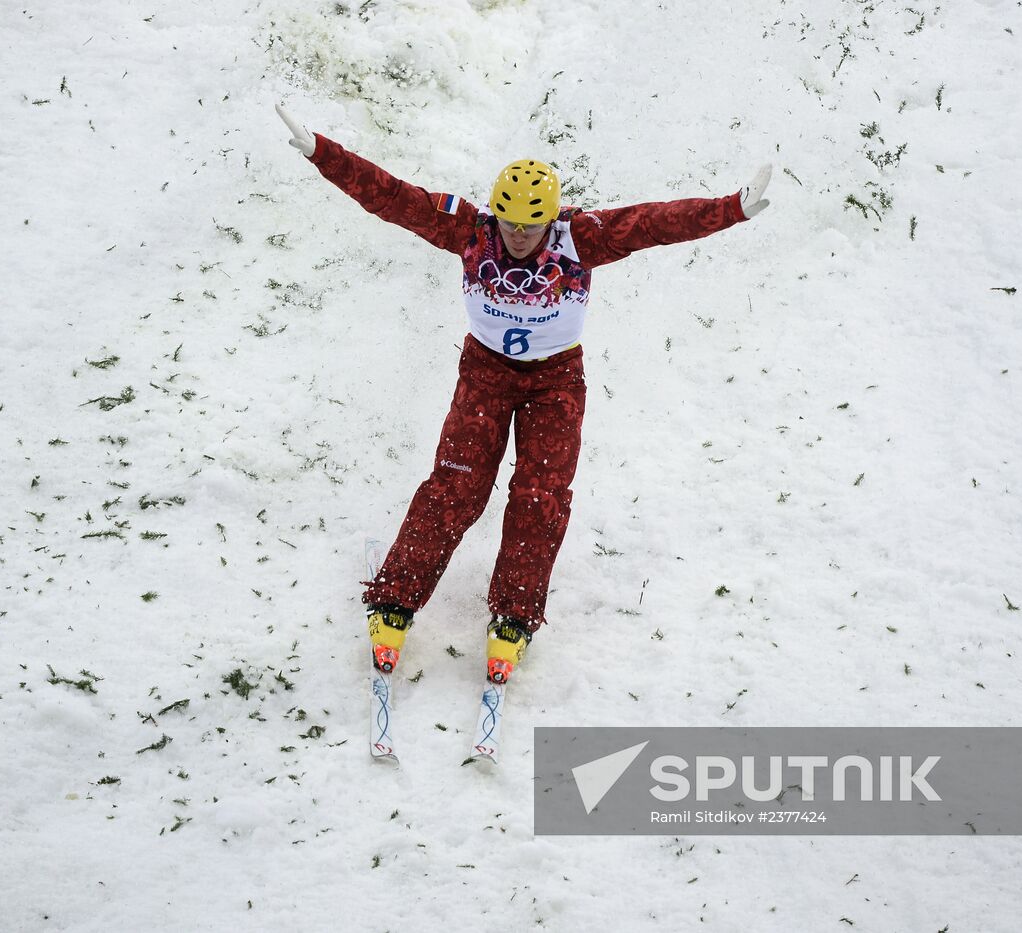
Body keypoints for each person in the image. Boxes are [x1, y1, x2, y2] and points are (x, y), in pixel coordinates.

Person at [274, 104, 770, 685]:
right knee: (457, 485)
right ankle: (395, 598)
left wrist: (731, 209)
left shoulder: (580, 238)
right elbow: (393, 197)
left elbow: (654, 223)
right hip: (484, 373)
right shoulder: (469, 229)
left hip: (555, 382)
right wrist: (322, 153)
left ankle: (513, 615)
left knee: (540, 495)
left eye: (529, 226)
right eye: (509, 222)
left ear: (551, 218)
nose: (517, 235)